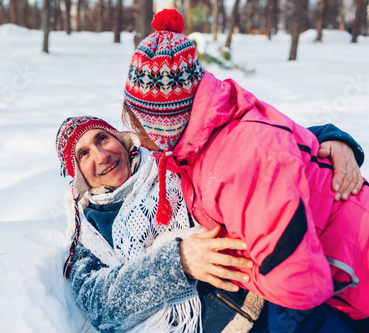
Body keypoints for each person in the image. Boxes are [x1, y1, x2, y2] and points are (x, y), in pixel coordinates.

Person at [122, 8, 369, 322]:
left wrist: (228, 260)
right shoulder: (206, 131)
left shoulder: (239, 161)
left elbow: (300, 285)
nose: (139, 141)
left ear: (165, 127)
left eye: (141, 128)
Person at [56, 116, 362, 333]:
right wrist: (178, 262)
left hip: (285, 302)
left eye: (102, 138)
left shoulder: (169, 161)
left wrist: (329, 139)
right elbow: (100, 305)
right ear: (77, 173)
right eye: (84, 154)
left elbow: (255, 146)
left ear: (120, 138)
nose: (102, 154)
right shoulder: (90, 233)